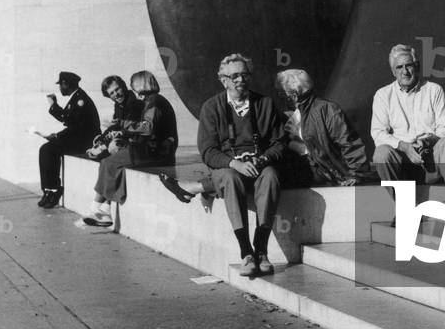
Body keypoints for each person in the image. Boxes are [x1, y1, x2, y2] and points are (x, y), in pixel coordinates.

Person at [197, 53, 286, 277]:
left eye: (244, 75)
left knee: (271, 176)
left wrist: (263, 158)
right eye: (234, 76)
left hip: (258, 164)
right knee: (229, 177)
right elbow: (208, 151)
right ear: (223, 79)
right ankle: (246, 252)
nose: (240, 80)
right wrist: (233, 163)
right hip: (228, 168)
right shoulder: (211, 107)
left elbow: (280, 143)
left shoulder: (265, 104)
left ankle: (262, 250)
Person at [370, 44, 445, 229]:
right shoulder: (382, 95)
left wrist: (428, 140)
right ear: (393, 71)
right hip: (403, 163)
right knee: (381, 153)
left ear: (417, 66)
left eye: (409, 65)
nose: (405, 71)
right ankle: (405, 209)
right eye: (399, 67)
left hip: (430, 160)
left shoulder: (434, 90)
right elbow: (378, 133)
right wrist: (404, 146)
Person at [81, 70, 178, 227]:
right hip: (154, 150)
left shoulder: (153, 102)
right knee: (114, 162)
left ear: (141, 85)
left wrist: (121, 125)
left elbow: (147, 128)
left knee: (109, 163)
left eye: (134, 86)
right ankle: (105, 209)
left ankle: (96, 209)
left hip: (155, 152)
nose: (132, 90)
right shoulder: (153, 100)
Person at [274, 68, 371, 186]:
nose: (280, 98)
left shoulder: (327, 109)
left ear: (293, 95)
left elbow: (348, 142)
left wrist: (357, 174)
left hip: (331, 174)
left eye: (281, 93)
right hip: (315, 173)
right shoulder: (293, 115)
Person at [38, 71, 100, 208]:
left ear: (66, 84)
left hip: (85, 142)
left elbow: (73, 125)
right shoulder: (76, 97)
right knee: (46, 149)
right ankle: (48, 190)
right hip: (78, 138)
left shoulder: (80, 100)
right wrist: (56, 135)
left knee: (48, 149)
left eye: (60, 85)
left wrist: (57, 135)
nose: (60, 88)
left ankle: (54, 189)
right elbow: (69, 119)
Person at [85, 75, 143, 160]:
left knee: (112, 147)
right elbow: (115, 125)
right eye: (111, 93)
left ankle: (101, 152)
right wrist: (101, 138)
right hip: (125, 137)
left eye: (117, 89)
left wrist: (104, 145)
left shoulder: (134, 103)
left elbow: (132, 129)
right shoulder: (118, 105)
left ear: (123, 87)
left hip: (137, 142)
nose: (116, 94)